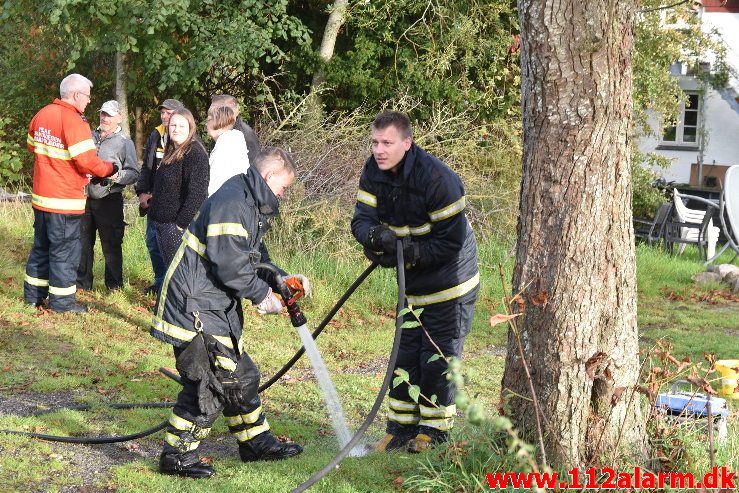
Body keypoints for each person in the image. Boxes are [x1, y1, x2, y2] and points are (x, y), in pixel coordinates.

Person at [151, 147, 308, 478]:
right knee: (209, 385)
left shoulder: (249, 201)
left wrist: (280, 279)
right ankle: (177, 456)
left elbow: (252, 255)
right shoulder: (234, 201)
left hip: (211, 303)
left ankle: (255, 443)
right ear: (269, 177)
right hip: (194, 305)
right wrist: (262, 295)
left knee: (239, 376)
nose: (283, 194)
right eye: (283, 187)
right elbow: (230, 263)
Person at [351, 111, 479, 453]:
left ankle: (434, 432)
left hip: (451, 282)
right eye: (375, 142)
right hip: (412, 283)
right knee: (404, 354)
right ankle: (400, 429)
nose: (379, 150)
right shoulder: (372, 172)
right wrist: (377, 238)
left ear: (406, 143)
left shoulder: (438, 180)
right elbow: (361, 220)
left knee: (436, 357)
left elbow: (449, 244)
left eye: (387, 143)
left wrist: (405, 255)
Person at [24, 73, 116, 314]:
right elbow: (87, 161)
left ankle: (33, 297)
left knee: (41, 248)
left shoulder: (42, 114)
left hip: (41, 198)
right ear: (76, 95)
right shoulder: (74, 121)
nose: (88, 101)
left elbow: (32, 145)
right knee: (65, 253)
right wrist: (110, 169)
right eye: (86, 96)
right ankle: (63, 304)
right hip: (64, 200)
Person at [77, 100, 140, 291]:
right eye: (103, 114)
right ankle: (82, 284)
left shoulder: (124, 142)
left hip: (109, 199)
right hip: (84, 198)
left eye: (109, 115)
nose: (105, 118)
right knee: (82, 243)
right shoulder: (88, 135)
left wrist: (115, 175)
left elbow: (134, 173)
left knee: (111, 245)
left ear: (119, 117)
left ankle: (114, 287)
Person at [148, 107, 209, 266]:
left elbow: (198, 194)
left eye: (182, 126)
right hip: (162, 223)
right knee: (170, 271)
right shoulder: (172, 150)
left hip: (176, 227)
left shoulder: (194, 153)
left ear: (191, 128)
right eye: (173, 125)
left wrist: (180, 224)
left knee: (180, 272)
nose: (176, 130)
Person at [135, 98, 184, 295]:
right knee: (152, 241)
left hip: (175, 205)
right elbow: (147, 167)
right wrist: (142, 192)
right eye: (162, 113)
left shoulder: (185, 137)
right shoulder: (156, 134)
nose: (165, 116)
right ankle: (160, 282)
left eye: (169, 113)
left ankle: (175, 286)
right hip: (154, 201)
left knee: (172, 244)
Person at [206, 105, 250, 196]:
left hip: (224, 202)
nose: (206, 124)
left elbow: (215, 183)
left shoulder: (225, 146)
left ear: (217, 121)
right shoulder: (233, 141)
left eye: (208, 120)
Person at [209, 94, 259, 163]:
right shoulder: (222, 130)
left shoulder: (245, 135)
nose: (213, 114)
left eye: (217, 111)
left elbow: (252, 165)